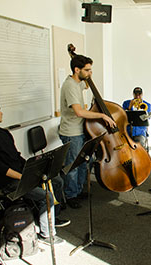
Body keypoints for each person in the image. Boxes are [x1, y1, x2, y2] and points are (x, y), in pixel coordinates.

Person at [0, 97, 70, 245]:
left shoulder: (3, 133)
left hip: (22, 175)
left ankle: (51, 218)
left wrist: (34, 171)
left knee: (57, 181)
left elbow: (17, 157)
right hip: (9, 183)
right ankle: (46, 235)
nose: (1, 112)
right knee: (47, 196)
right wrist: (23, 177)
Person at [59, 54, 116, 209]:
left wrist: (75, 57)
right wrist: (102, 115)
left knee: (86, 161)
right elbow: (79, 112)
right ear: (77, 70)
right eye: (87, 70)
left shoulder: (79, 82)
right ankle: (70, 195)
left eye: (91, 70)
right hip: (71, 131)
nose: (90, 73)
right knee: (73, 165)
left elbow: (88, 85)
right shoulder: (70, 86)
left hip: (81, 129)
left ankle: (77, 190)